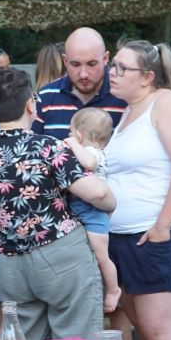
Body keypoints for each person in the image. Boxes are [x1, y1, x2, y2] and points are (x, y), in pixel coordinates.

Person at [0, 65, 115, 340]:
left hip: (7, 261)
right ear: (29, 106)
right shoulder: (48, 147)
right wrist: (111, 200)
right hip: (60, 254)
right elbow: (97, 194)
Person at [104, 40, 171, 340]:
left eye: (120, 68)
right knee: (145, 333)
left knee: (161, 332)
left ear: (146, 76)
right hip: (125, 237)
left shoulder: (166, 104)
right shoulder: (128, 111)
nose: (111, 73)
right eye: (112, 65)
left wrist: (162, 226)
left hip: (155, 234)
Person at [63, 107, 122, 313]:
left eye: (71, 133)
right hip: (88, 210)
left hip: (92, 212)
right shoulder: (99, 151)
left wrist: (71, 144)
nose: (68, 136)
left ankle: (113, 289)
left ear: (79, 135)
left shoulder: (90, 152)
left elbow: (88, 163)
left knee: (101, 256)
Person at [33, 27, 126, 138]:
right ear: (65, 61)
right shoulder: (45, 97)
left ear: (105, 59)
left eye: (91, 64)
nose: (83, 74)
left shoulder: (123, 97)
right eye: (75, 64)